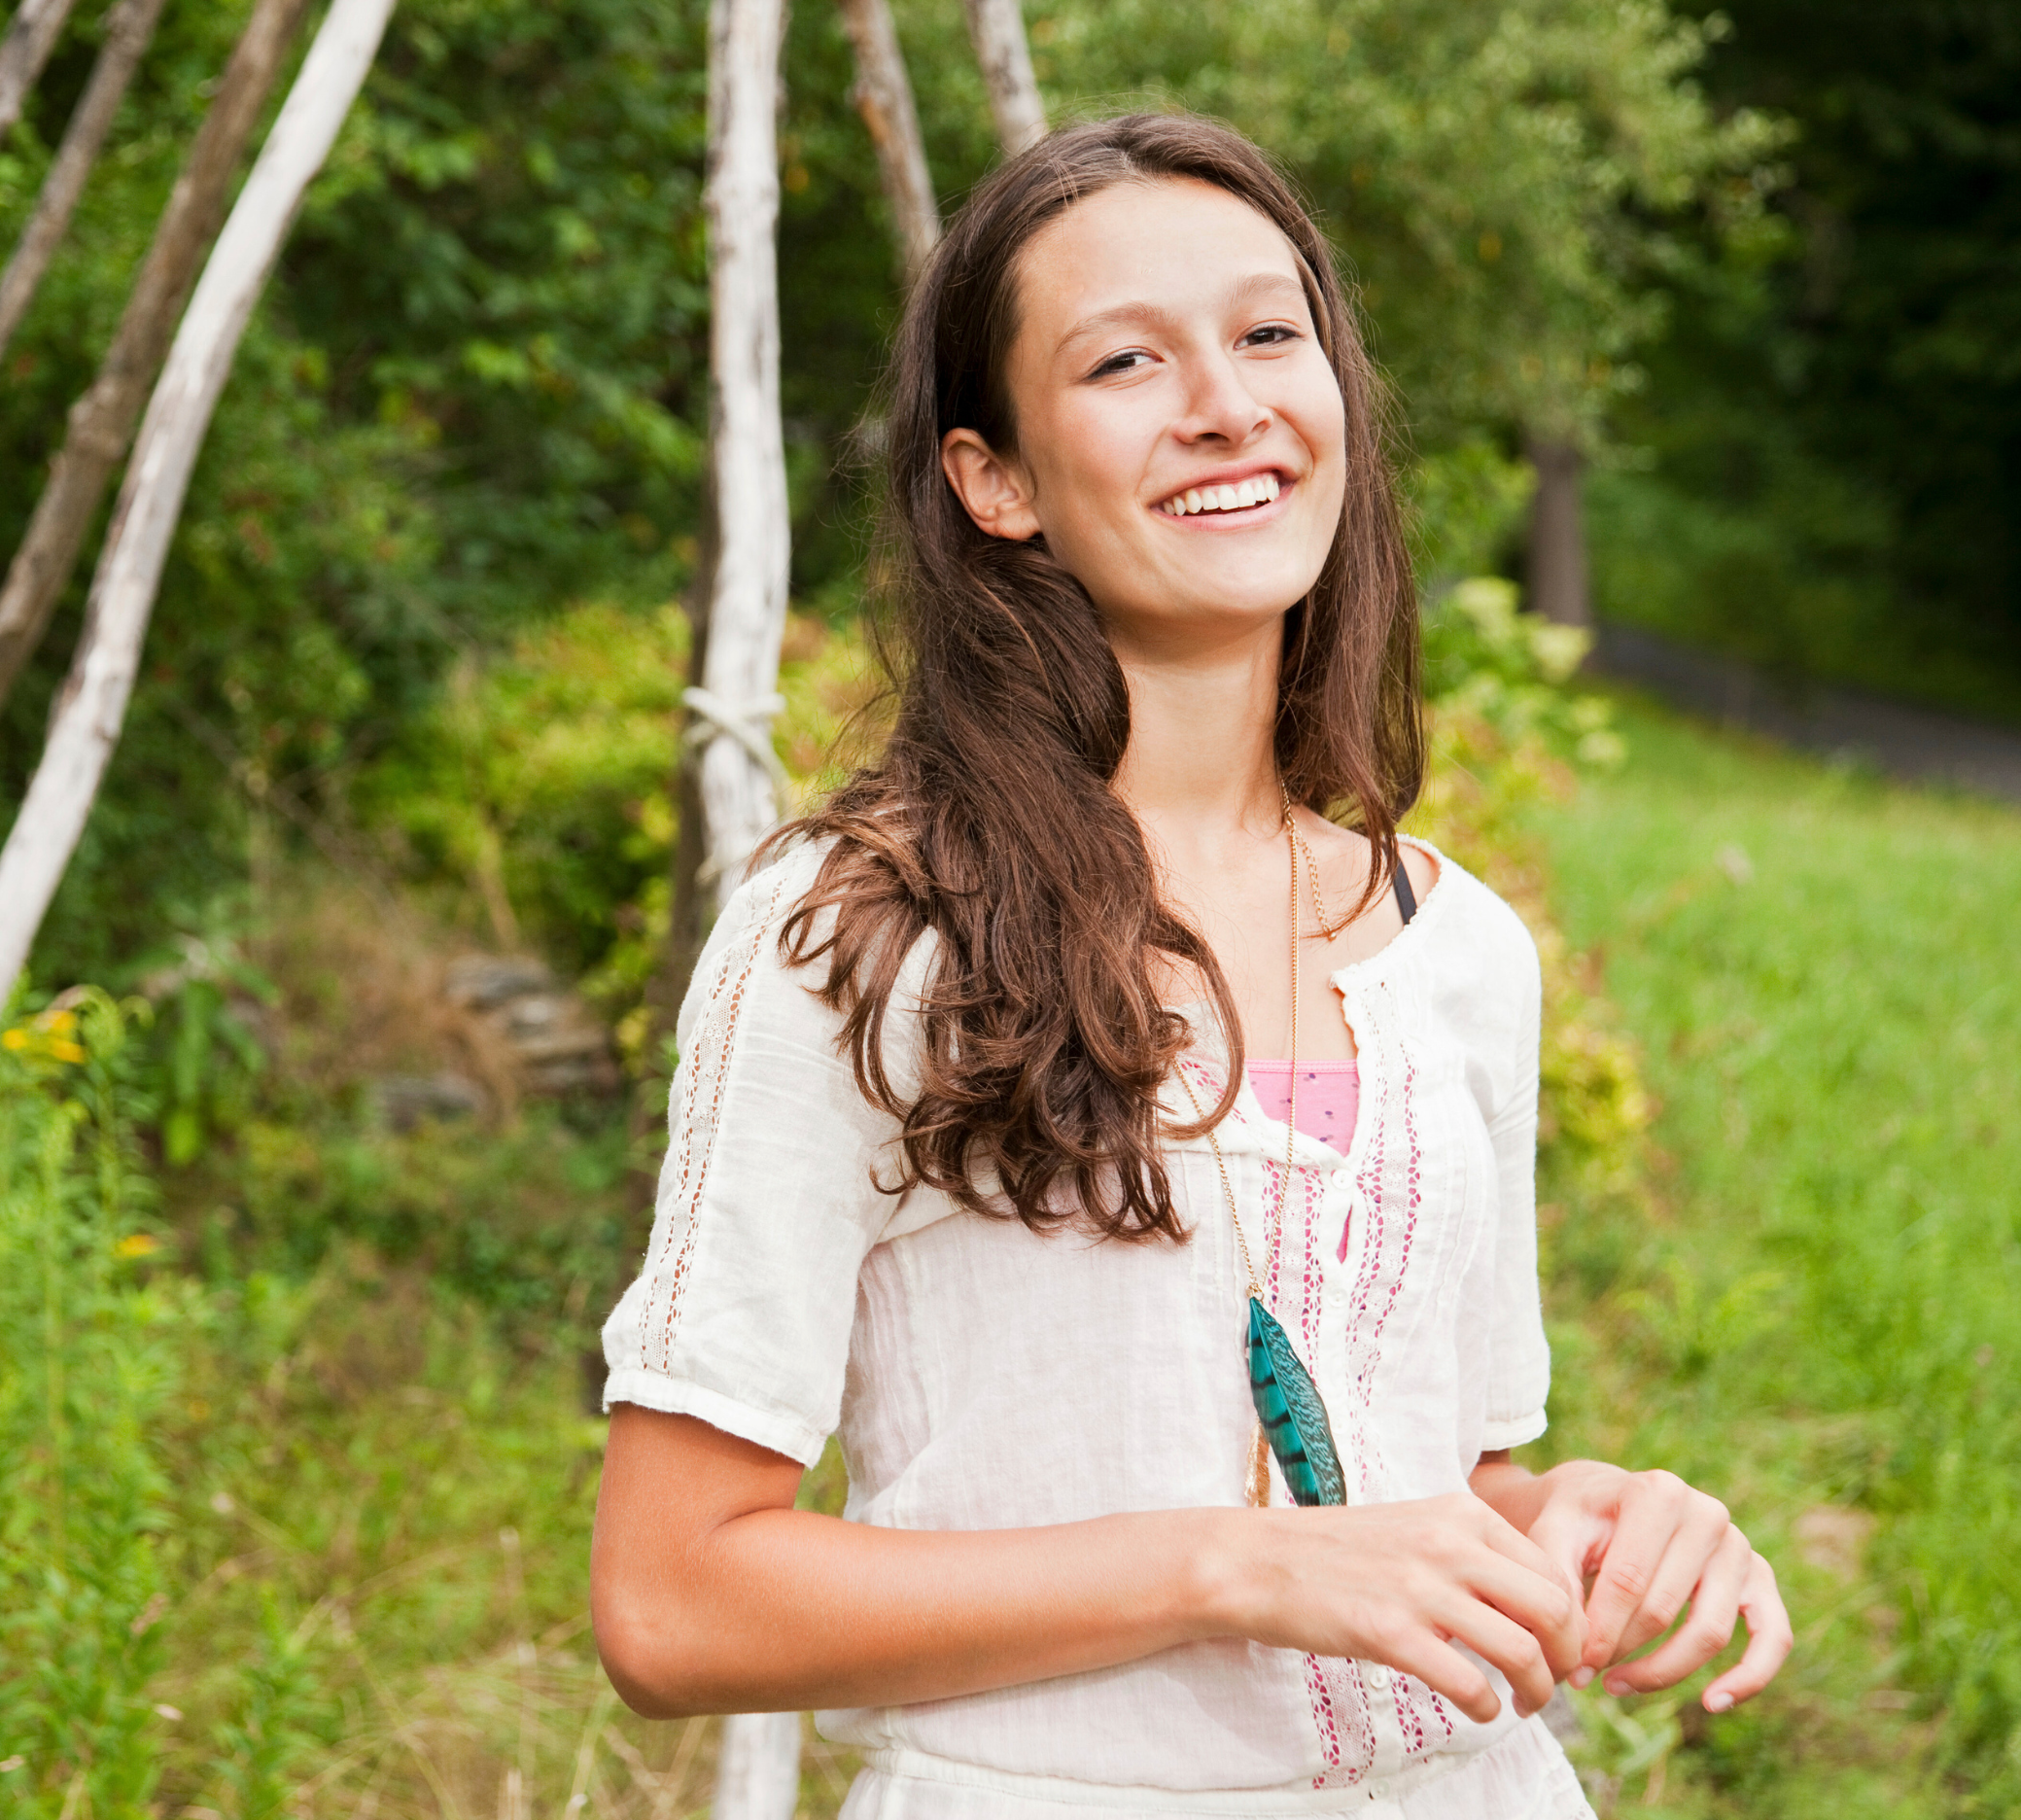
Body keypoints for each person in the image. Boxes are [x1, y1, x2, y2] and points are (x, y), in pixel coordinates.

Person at [588, 114, 1790, 1817]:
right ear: (993, 479)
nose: (1225, 402)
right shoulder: (858, 934)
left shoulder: (1460, 951)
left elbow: (1416, 1498)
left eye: (1268, 333)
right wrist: (1223, 1568)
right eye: (1126, 360)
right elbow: (670, 1602)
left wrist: (1586, 1521)